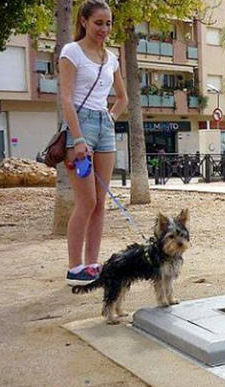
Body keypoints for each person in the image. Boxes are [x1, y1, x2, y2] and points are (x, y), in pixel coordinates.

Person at [59, 0, 128, 286]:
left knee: (101, 202)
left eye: (108, 23)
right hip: (81, 124)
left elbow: (122, 97)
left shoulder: (111, 58)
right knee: (85, 201)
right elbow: (65, 98)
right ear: (84, 21)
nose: (104, 29)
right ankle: (75, 268)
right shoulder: (71, 52)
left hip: (104, 125)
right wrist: (77, 139)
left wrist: (111, 117)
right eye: (99, 23)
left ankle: (92, 264)